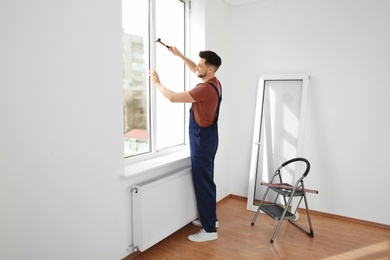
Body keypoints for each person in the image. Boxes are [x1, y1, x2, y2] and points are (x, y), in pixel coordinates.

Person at [149, 46, 222, 242]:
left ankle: (209, 231)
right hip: (210, 136)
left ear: (210, 69)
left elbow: (172, 98)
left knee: (203, 182)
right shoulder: (215, 82)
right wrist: (180, 56)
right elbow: (195, 70)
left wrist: (157, 83)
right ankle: (211, 220)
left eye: (200, 65)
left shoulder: (204, 89)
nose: (196, 67)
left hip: (201, 140)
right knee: (208, 179)